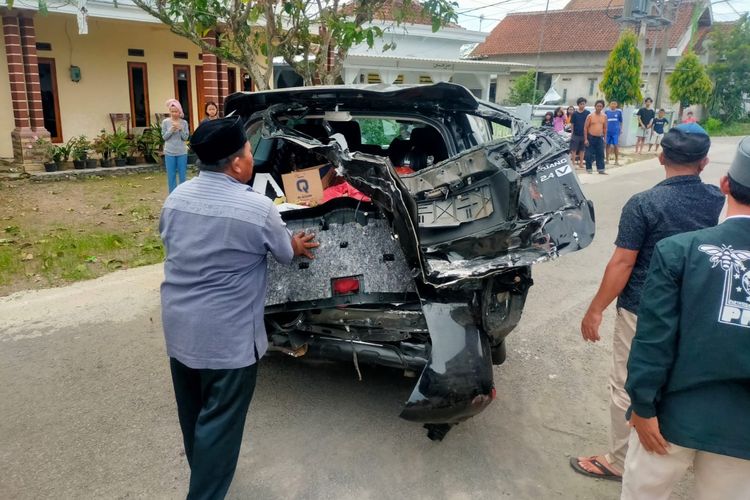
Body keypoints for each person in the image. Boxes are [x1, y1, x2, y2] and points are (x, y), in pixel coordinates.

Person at [160, 117, 319, 499]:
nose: (251, 159)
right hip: (227, 343)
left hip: (180, 332)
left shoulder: (175, 198)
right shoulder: (256, 207)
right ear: (236, 164)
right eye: (249, 153)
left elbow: (170, 239)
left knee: (195, 416)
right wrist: (296, 244)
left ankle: (205, 475)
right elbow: (283, 252)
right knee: (220, 424)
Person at [570, 123, 724, 482]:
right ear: (703, 163)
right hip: (698, 310)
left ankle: (621, 461)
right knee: (680, 380)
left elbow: (623, 263)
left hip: (643, 308)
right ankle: (679, 454)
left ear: (660, 157)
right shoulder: (718, 200)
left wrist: (596, 309)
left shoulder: (644, 204)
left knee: (629, 382)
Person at [621, 136, 750, 499]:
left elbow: (654, 338)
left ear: (725, 183)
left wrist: (643, 406)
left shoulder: (680, 250)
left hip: (669, 419)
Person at [162, 99, 190, 193]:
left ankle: (182, 194)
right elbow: (164, 137)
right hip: (169, 152)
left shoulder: (184, 123)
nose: (174, 113)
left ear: (180, 111)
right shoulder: (165, 122)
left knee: (182, 175)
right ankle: (172, 194)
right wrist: (171, 130)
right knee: (171, 175)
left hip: (182, 152)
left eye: (176, 111)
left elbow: (185, 138)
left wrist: (181, 129)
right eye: (172, 111)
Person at [584, 99, 608, 174]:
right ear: (595, 107)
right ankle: (589, 169)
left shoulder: (604, 116)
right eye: (598, 106)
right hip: (590, 137)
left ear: (603, 107)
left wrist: (605, 138)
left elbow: (605, 128)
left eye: (601, 106)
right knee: (588, 154)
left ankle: (601, 169)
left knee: (600, 153)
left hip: (600, 137)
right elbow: (585, 128)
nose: (599, 107)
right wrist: (585, 139)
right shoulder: (590, 116)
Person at [570, 98, 590, 169]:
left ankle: (581, 163)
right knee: (574, 150)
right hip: (576, 134)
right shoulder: (574, 114)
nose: (582, 105)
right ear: (578, 105)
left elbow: (589, 123)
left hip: (584, 134)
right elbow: (572, 124)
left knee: (582, 149)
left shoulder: (587, 113)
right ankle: (573, 163)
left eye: (583, 104)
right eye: (581, 104)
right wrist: (572, 133)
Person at [605, 100, 623, 165]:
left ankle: (616, 160)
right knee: (607, 145)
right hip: (608, 131)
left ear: (616, 105)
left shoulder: (619, 112)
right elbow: (605, 121)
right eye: (611, 103)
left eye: (614, 104)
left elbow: (621, 121)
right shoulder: (607, 112)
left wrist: (621, 129)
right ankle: (607, 160)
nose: (613, 105)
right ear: (610, 105)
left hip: (615, 131)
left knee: (616, 145)